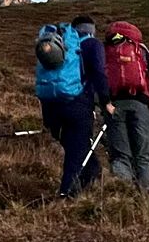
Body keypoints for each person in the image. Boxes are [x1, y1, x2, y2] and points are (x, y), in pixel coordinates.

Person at [36, 16, 114, 197]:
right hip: (77, 104)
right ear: (91, 30)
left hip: (50, 105)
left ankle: (90, 177)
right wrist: (106, 102)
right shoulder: (91, 44)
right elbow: (99, 74)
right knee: (76, 151)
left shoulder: (61, 45)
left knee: (76, 148)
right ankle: (67, 194)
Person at [102, 20, 149, 189]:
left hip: (113, 105)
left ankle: (124, 194)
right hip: (140, 105)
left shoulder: (105, 50)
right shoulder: (140, 49)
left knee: (120, 156)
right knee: (143, 156)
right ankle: (145, 195)